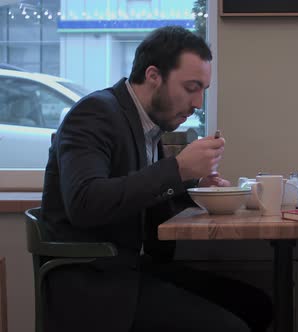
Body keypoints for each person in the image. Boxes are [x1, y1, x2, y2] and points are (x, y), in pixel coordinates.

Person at [41, 26, 272, 332]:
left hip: (135, 271)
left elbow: (141, 191)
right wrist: (177, 169)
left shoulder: (148, 126)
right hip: (96, 284)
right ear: (153, 76)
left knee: (257, 306)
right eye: (191, 87)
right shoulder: (95, 113)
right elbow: (85, 202)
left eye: (203, 89)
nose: (199, 103)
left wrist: (195, 188)